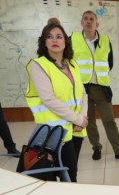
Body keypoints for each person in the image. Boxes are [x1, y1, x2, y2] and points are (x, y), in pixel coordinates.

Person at [26, 23, 88, 182]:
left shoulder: (72, 64)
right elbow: (48, 99)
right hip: (53, 133)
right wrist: (78, 118)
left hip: (76, 129)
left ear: (65, 41)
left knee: (71, 174)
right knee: (52, 179)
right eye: (49, 36)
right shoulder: (38, 65)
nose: (54, 40)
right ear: (44, 42)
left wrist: (83, 117)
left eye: (59, 37)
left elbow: (82, 93)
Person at [71, 10, 119, 162]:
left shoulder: (105, 40)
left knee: (109, 120)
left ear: (97, 24)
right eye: (85, 19)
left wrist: (99, 75)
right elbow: (69, 62)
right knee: (89, 121)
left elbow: (109, 63)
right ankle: (96, 147)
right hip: (83, 87)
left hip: (101, 87)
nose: (88, 21)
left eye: (91, 19)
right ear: (81, 22)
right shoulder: (73, 39)